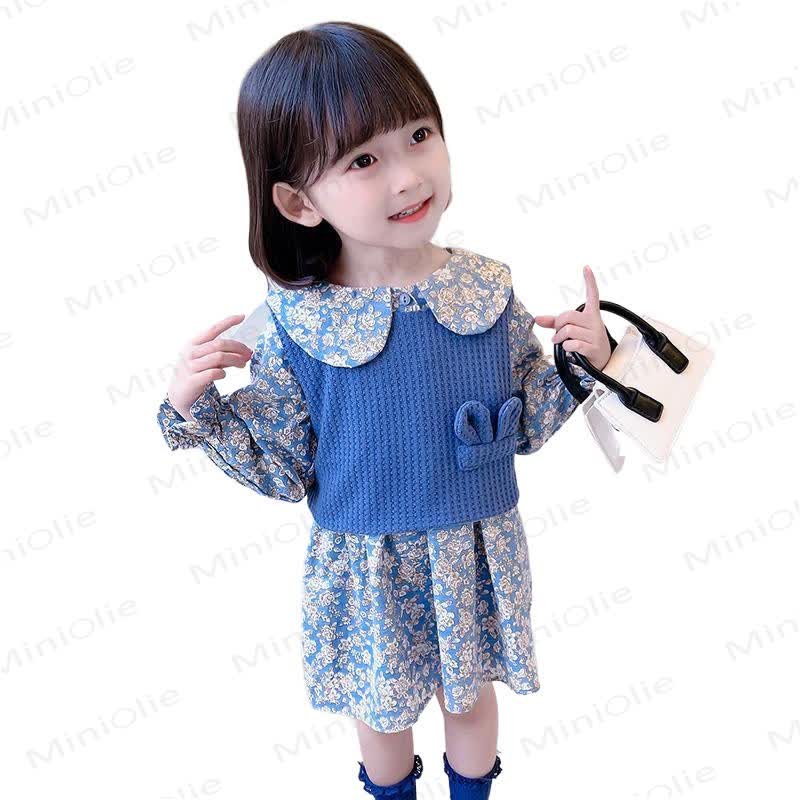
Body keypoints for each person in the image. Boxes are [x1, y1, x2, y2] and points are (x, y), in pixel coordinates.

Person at [156, 21, 613, 800]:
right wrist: (194, 408)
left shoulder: (484, 290)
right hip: (368, 563)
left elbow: (528, 423)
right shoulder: (299, 324)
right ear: (298, 201)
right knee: (383, 708)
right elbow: (282, 469)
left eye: (419, 135)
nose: (408, 177)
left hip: (474, 547)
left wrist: (584, 359)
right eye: (364, 160)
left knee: (470, 697)